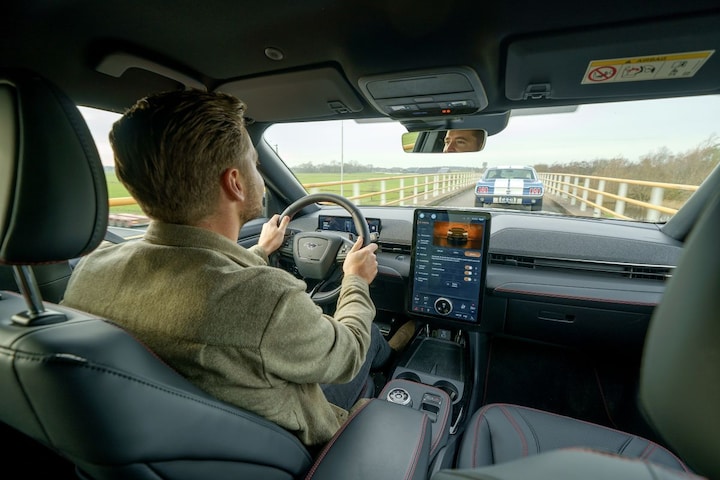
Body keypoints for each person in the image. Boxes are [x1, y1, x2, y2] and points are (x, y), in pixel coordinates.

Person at [62, 89, 416, 450]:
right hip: (288, 441)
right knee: (365, 334)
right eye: (254, 161)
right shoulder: (265, 297)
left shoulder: (92, 270)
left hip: (188, 445)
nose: (259, 172)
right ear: (234, 182)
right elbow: (346, 355)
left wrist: (260, 250)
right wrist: (355, 279)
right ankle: (395, 351)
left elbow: (204, 276)